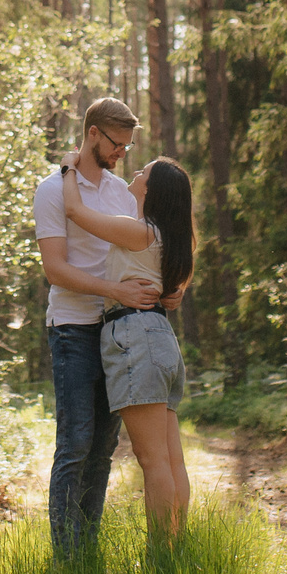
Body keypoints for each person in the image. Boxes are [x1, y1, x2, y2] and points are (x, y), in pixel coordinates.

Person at [33, 97, 162, 558]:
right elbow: (55, 270)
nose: (121, 154)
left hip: (116, 332)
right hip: (72, 329)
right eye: (116, 144)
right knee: (75, 444)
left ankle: (87, 553)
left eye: (128, 147)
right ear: (92, 134)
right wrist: (115, 290)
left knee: (104, 449)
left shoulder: (117, 193)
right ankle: (66, 560)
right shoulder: (52, 190)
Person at [60, 155, 194, 538]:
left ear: (152, 190)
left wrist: (69, 168)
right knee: (171, 461)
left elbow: (74, 210)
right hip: (161, 340)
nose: (135, 174)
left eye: (143, 173)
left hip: (136, 338)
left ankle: (160, 561)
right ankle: (176, 550)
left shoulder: (141, 232)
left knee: (152, 462)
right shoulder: (169, 239)